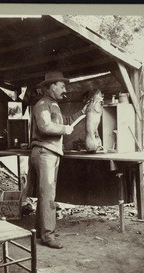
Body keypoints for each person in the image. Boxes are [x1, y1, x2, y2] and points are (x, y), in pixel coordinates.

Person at [30, 71, 87, 249]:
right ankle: (48, 236)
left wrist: (82, 112)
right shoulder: (42, 104)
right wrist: (63, 129)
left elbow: (68, 121)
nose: (65, 90)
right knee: (48, 194)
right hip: (44, 152)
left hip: (51, 153)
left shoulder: (54, 105)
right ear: (52, 86)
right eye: (62, 86)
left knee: (45, 193)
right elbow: (45, 126)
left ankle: (40, 231)